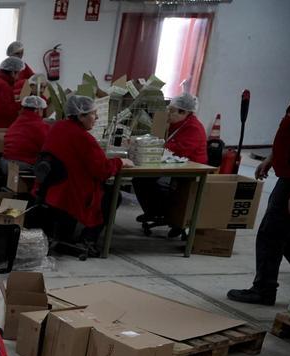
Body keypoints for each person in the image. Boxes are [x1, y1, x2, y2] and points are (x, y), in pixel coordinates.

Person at [228, 44, 290, 306]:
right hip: (288, 173)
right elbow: (289, 132)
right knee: (281, 231)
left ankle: (264, 290)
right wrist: (272, 158)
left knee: (271, 232)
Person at [39, 94, 134, 250]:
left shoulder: (58, 127)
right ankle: (87, 240)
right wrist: (120, 162)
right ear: (81, 116)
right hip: (73, 191)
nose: (96, 118)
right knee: (113, 195)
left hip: (53, 188)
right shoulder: (83, 138)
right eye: (93, 114)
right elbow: (102, 170)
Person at [134, 92, 208, 230]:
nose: (169, 114)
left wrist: (157, 147)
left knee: (145, 179)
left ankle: (161, 213)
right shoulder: (179, 124)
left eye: (172, 111)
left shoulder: (193, 128)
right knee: (141, 178)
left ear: (183, 112)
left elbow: (180, 149)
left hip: (190, 169)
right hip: (176, 164)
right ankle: (155, 211)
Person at [2, 95, 51, 174]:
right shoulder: (39, 125)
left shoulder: (17, 122)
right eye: (42, 110)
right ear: (37, 110)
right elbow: (47, 146)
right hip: (22, 164)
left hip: (5, 162)